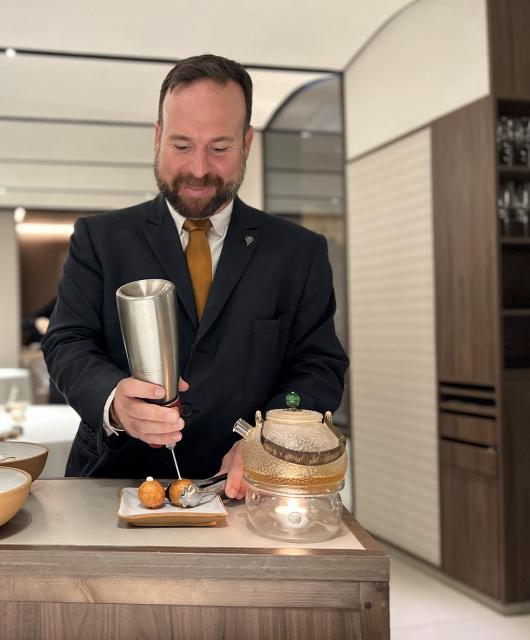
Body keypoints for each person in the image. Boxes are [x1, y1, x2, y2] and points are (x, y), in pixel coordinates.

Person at [41, 54, 348, 498]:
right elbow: (67, 341)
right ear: (157, 137)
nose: (200, 169)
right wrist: (113, 400)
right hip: (112, 480)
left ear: (247, 143)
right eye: (182, 146)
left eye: (220, 148)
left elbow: (318, 366)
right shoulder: (100, 239)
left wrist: (269, 438)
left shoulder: (299, 252)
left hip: (248, 487)